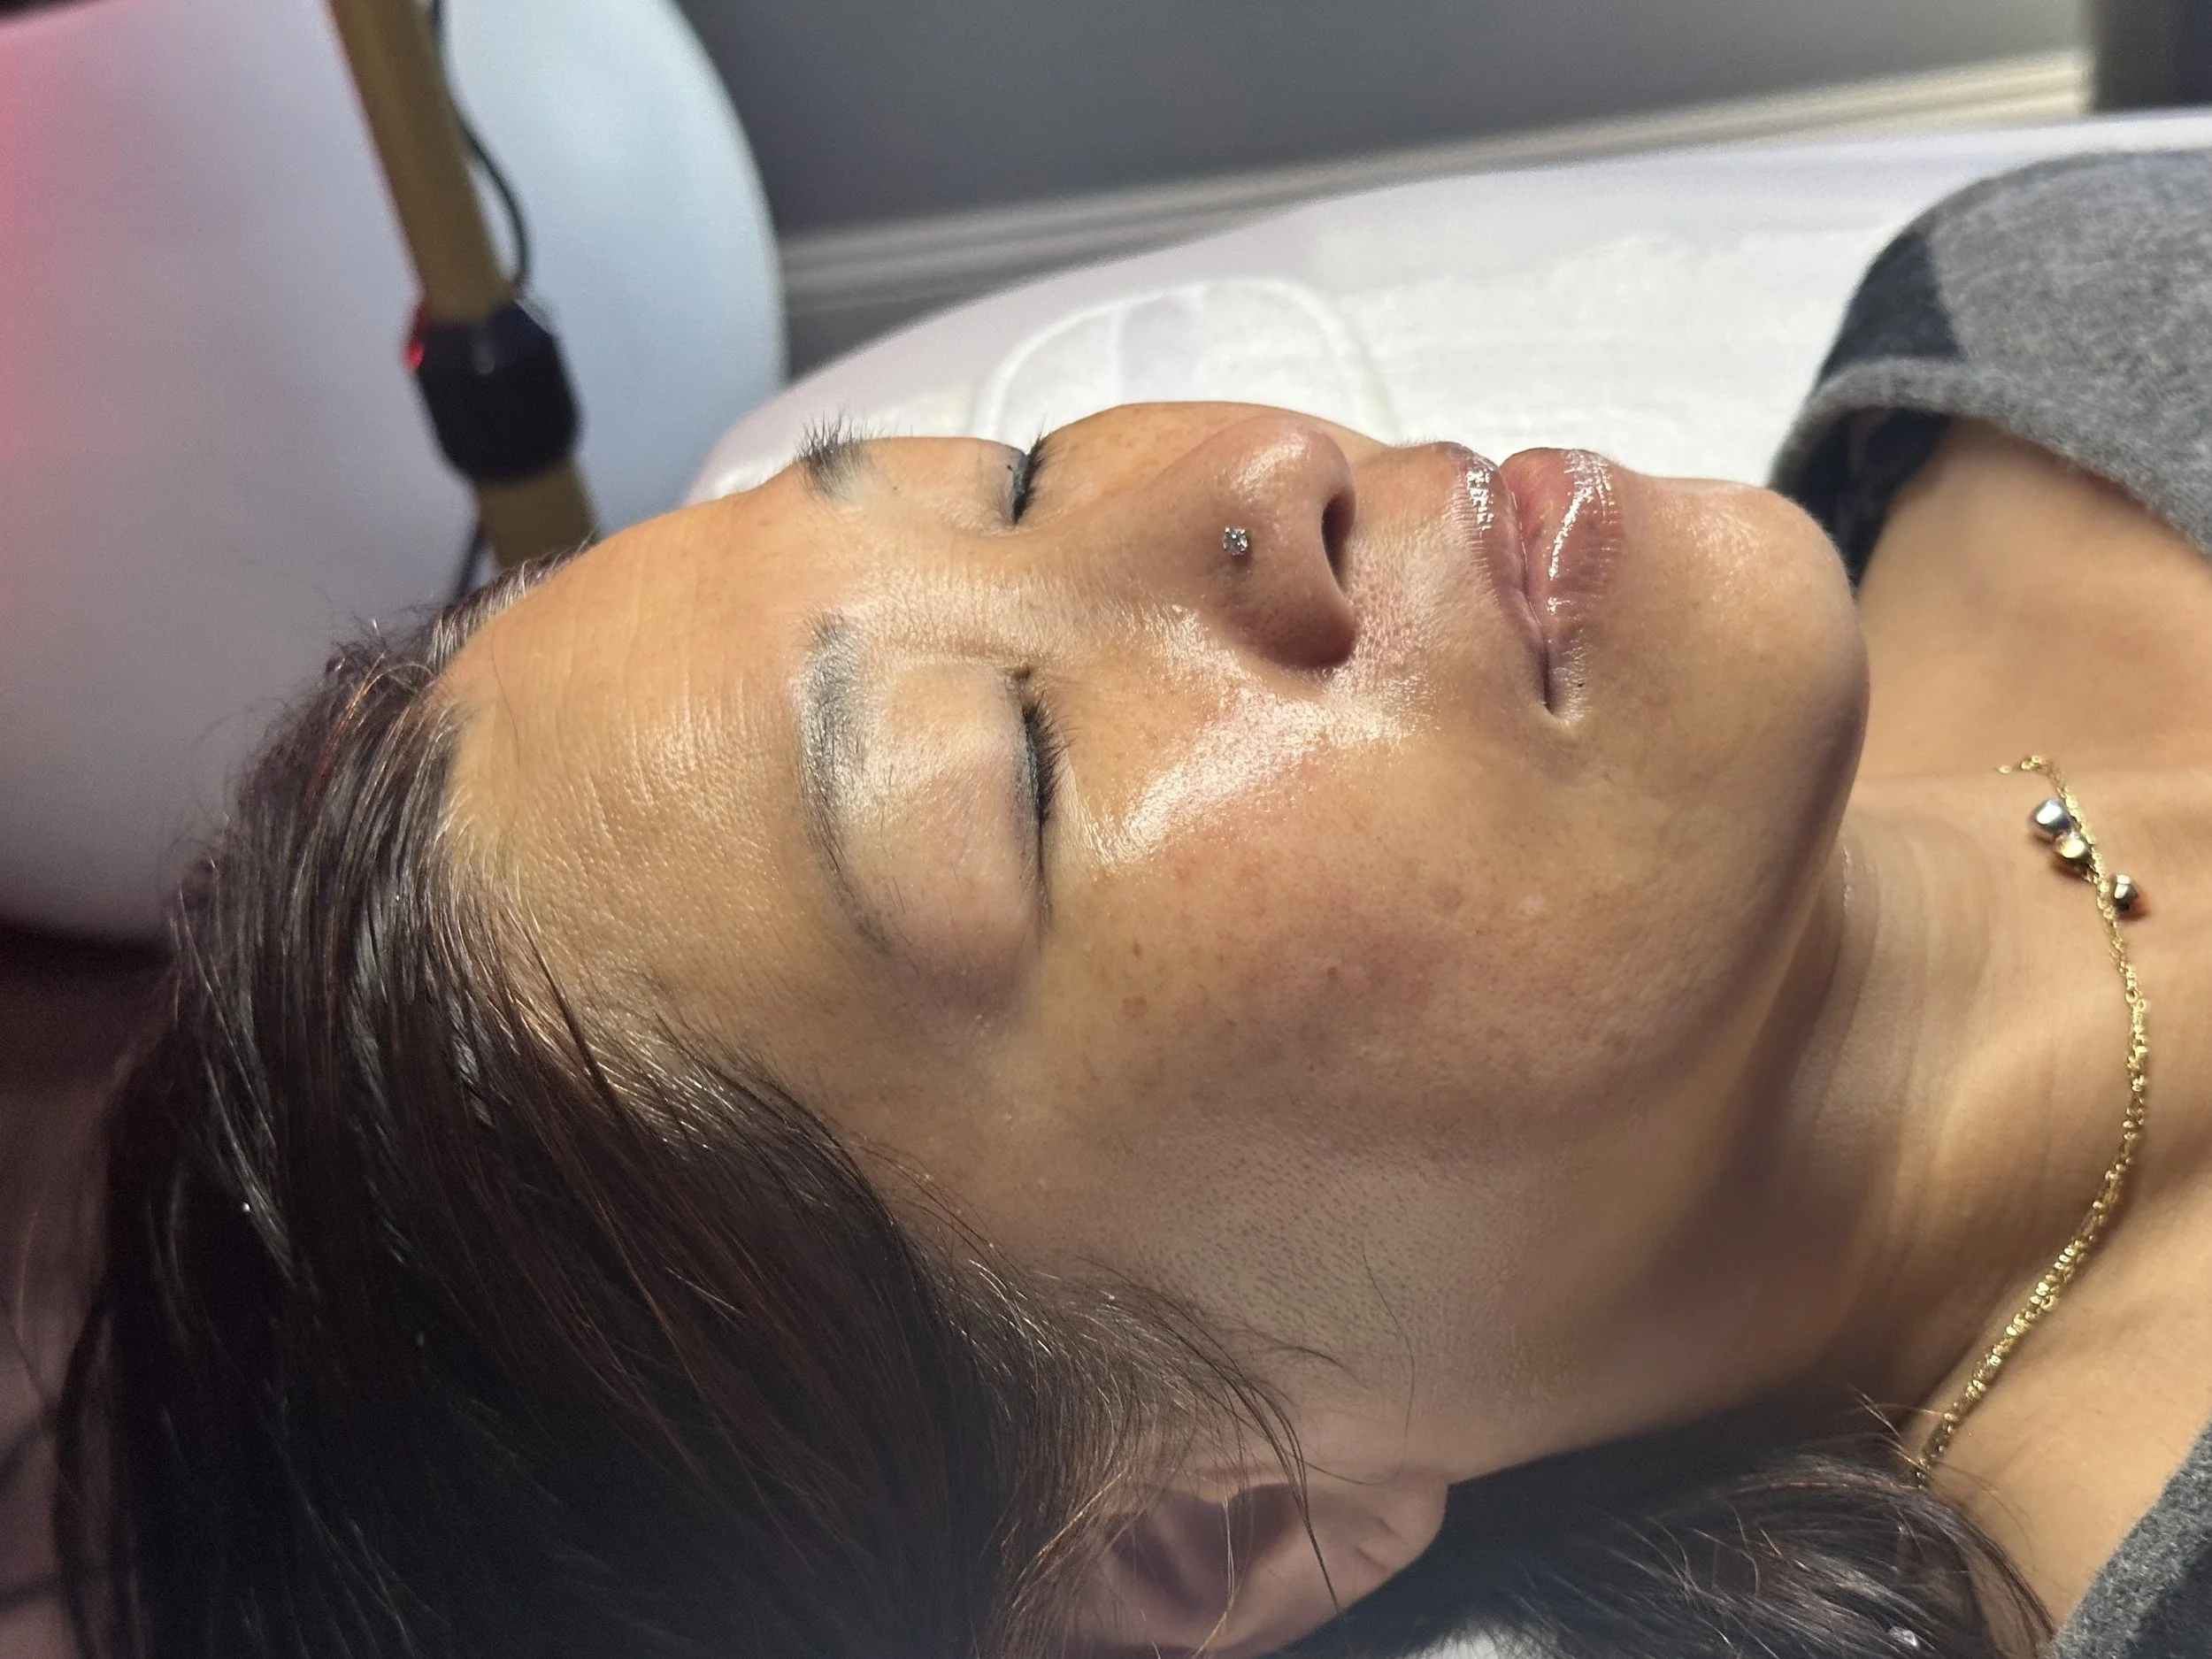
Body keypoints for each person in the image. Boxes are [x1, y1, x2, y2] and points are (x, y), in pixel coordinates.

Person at [27, 147, 2212, 1659]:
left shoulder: (2021, 301)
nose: (1250, 476)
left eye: (1015, 479)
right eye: (1024, 778)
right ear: (1207, 1530)